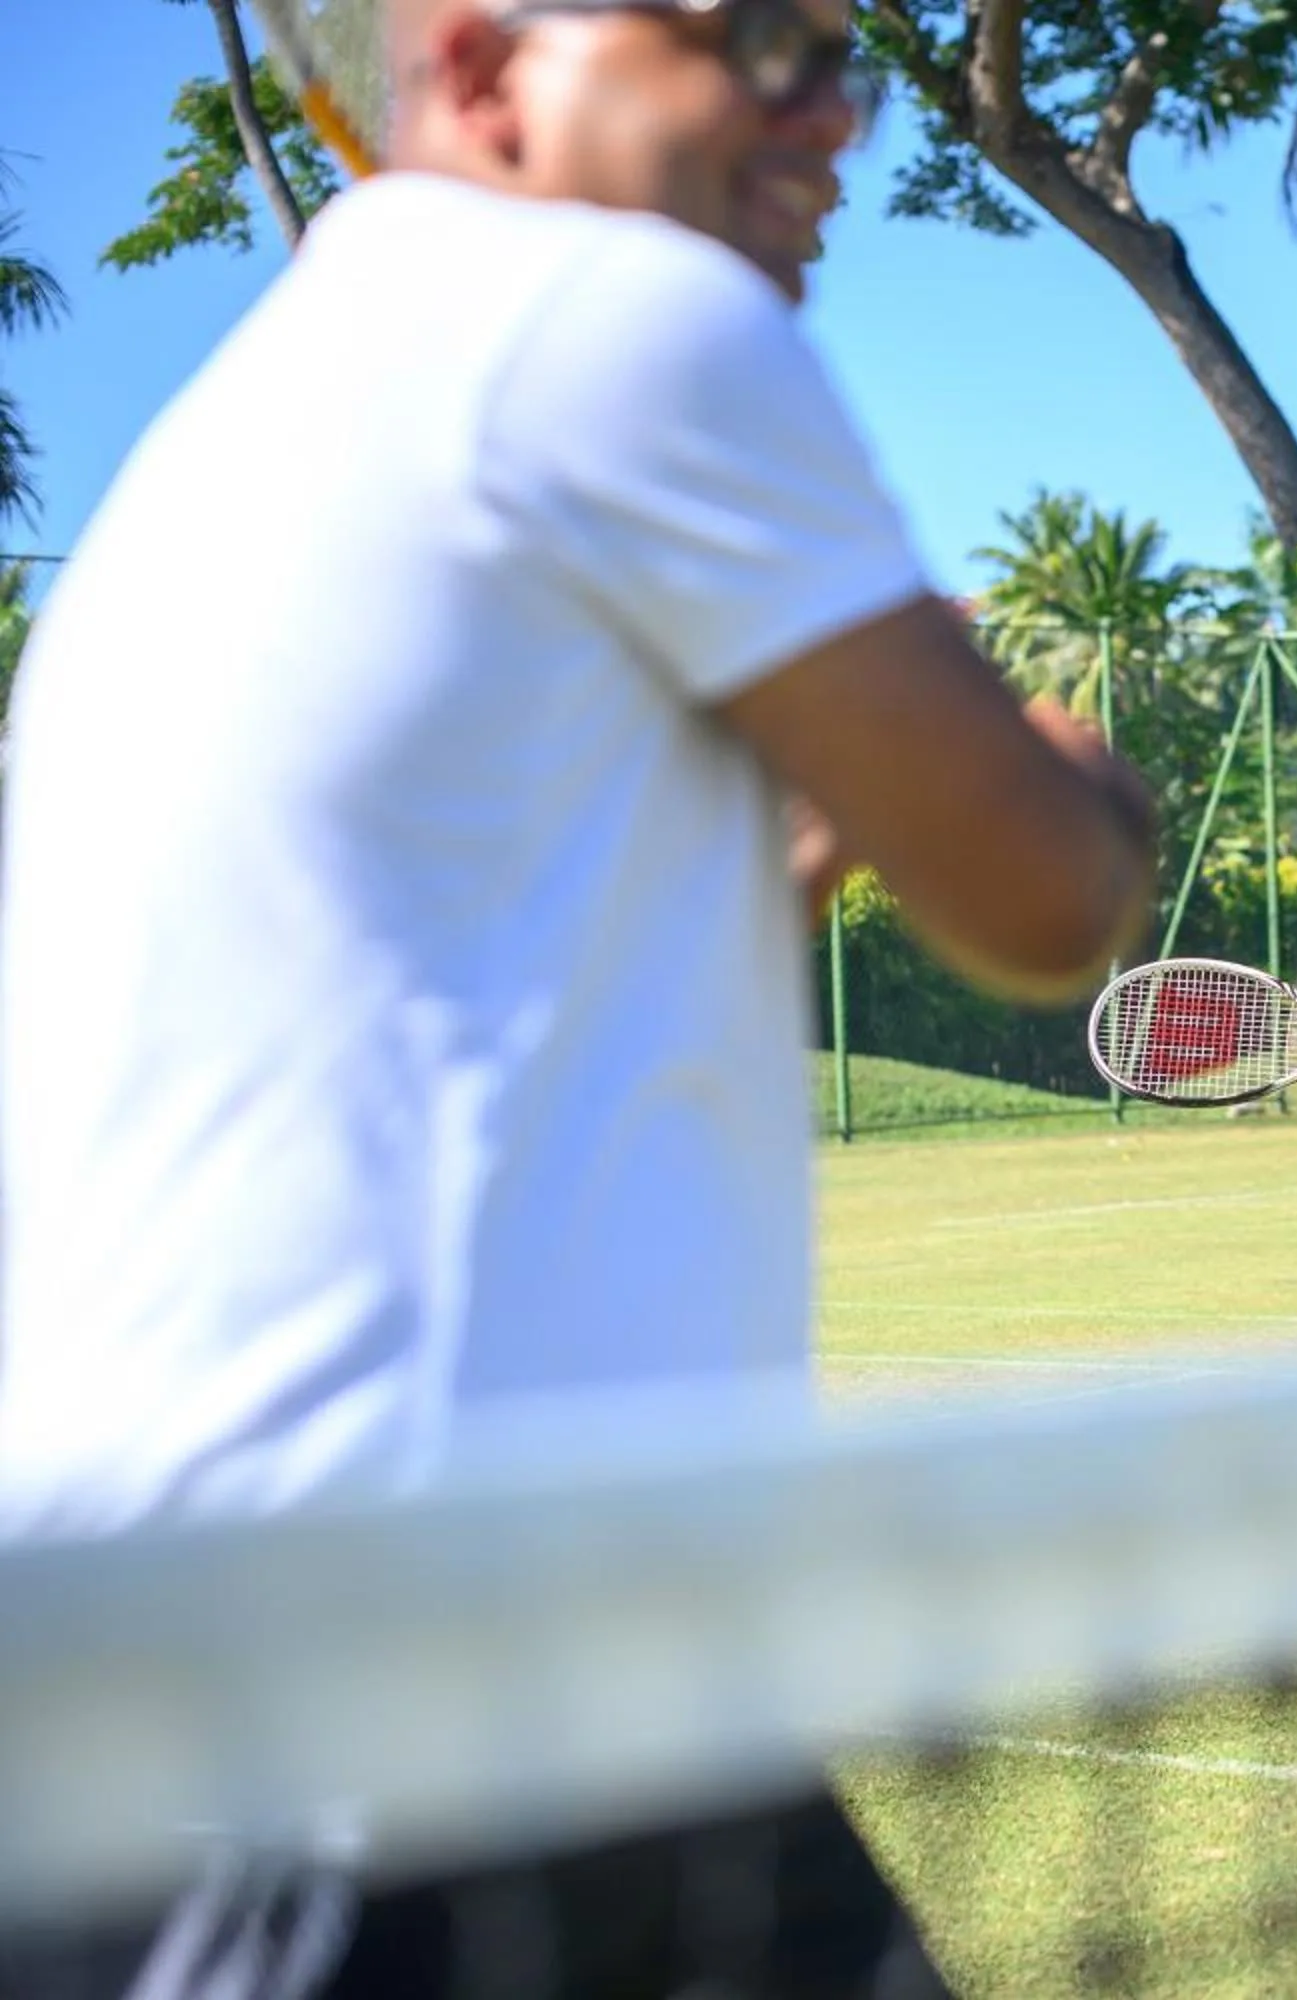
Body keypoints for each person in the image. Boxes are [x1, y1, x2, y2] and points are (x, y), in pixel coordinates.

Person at [0, 0, 1152, 1991]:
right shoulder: (615, 317)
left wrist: (770, 874)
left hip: (395, 1692)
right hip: (398, 1725)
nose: (831, 116)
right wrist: (1077, 768)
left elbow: (449, 1024)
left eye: (839, 53)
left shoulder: (245, 437)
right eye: (752, 45)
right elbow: (1048, 900)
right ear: (478, 71)